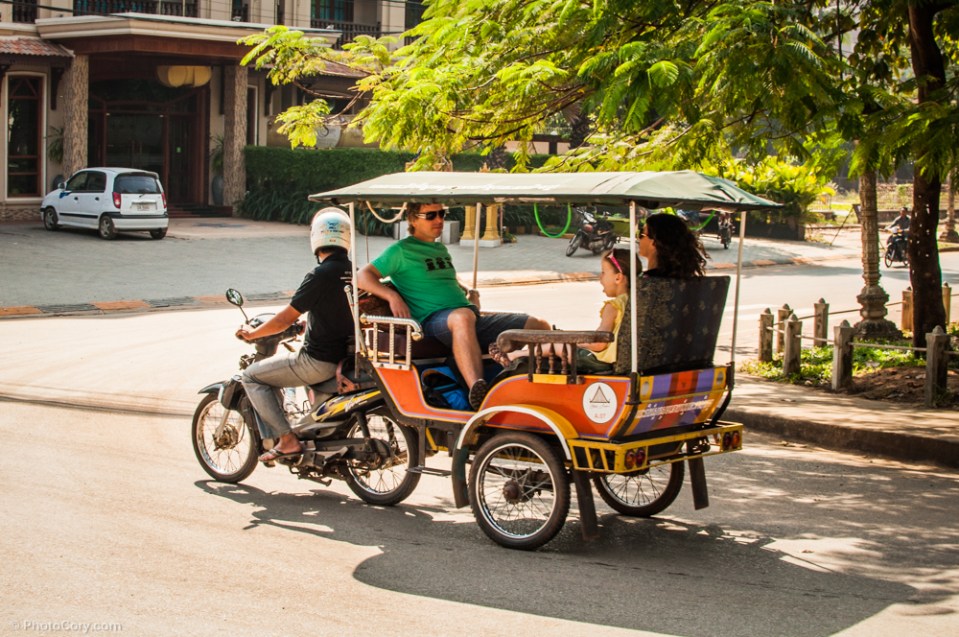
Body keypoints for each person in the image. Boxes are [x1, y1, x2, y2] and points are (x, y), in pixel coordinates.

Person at [357, 202, 551, 410]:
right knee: (461, 317)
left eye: (442, 214)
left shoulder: (440, 249)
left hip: (468, 316)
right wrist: (392, 297)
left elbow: (446, 281)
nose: (439, 220)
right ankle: (479, 391)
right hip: (433, 321)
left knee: (538, 324)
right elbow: (362, 276)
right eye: (430, 215)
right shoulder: (400, 251)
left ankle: (522, 375)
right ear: (413, 220)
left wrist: (468, 291)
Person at [237, 208, 354, 463]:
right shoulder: (356, 272)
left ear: (317, 238)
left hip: (318, 363)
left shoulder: (319, 275)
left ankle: (287, 440)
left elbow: (284, 318)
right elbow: (333, 310)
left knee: (251, 377)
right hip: (348, 359)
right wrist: (306, 326)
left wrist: (253, 334)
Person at [640, 212, 708, 277]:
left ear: (654, 242)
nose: (638, 239)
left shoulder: (640, 283)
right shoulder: (690, 279)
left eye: (641, 234)